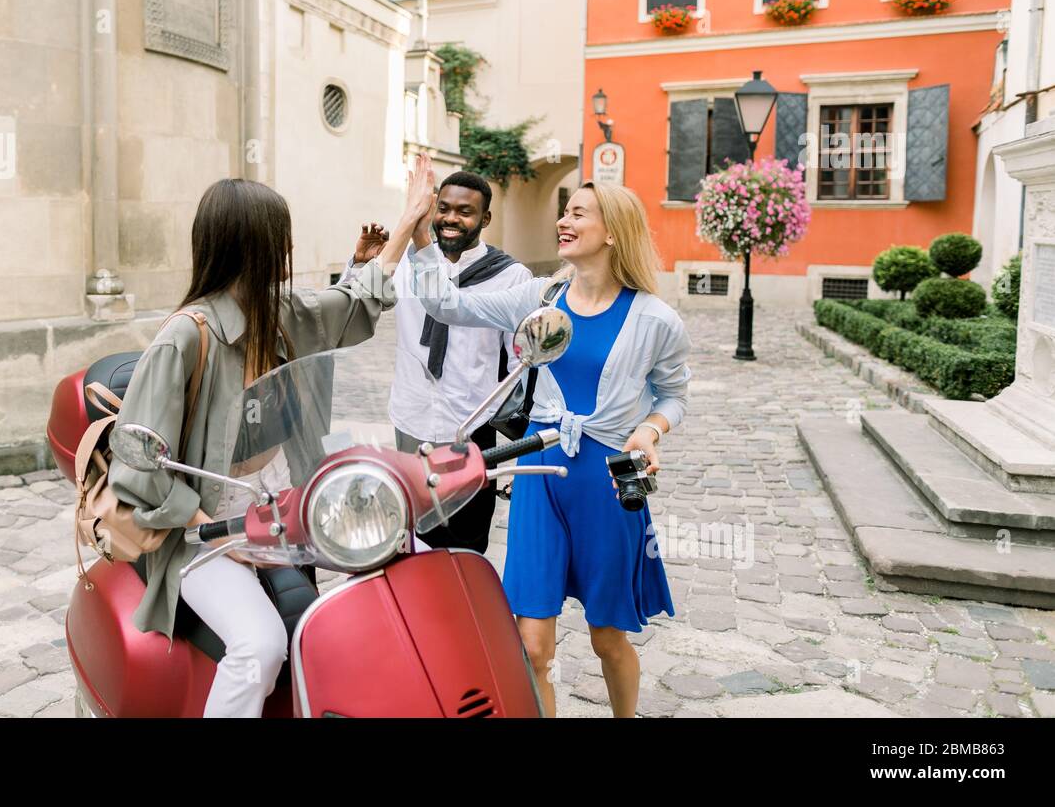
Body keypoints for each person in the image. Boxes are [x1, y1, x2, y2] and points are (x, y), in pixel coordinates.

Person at [108, 161, 436, 718]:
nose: (290, 243)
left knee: (414, 562)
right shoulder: (185, 339)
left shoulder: (277, 310)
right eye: (280, 234)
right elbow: (141, 468)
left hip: (283, 504)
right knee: (260, 645)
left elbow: (353, 306)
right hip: (202, 531)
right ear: (251, 244)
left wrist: (406, 224)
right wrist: (209, 534)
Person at [407, 181, 691, 718]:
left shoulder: (655, 319)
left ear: (612, 233)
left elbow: (673, 396)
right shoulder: (539, 297)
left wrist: (650, 431)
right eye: (564, 212)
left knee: (607, 638)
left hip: (606, 484)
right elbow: (444, 303)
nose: (563, 220)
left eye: (578, 213)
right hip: (541, 476)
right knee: (532, 647)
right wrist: (421, 229)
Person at [343, 170, 531, 553]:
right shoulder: (406, 264)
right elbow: (354, 307)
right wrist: (362, 263)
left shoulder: (511, 277)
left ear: (485, 219)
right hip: (411, 419)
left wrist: (516, 431)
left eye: (465, 211)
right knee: (412, 540)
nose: (450, 218)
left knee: (466, 542)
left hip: (470, 425)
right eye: (443, 208)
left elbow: (519, 367)